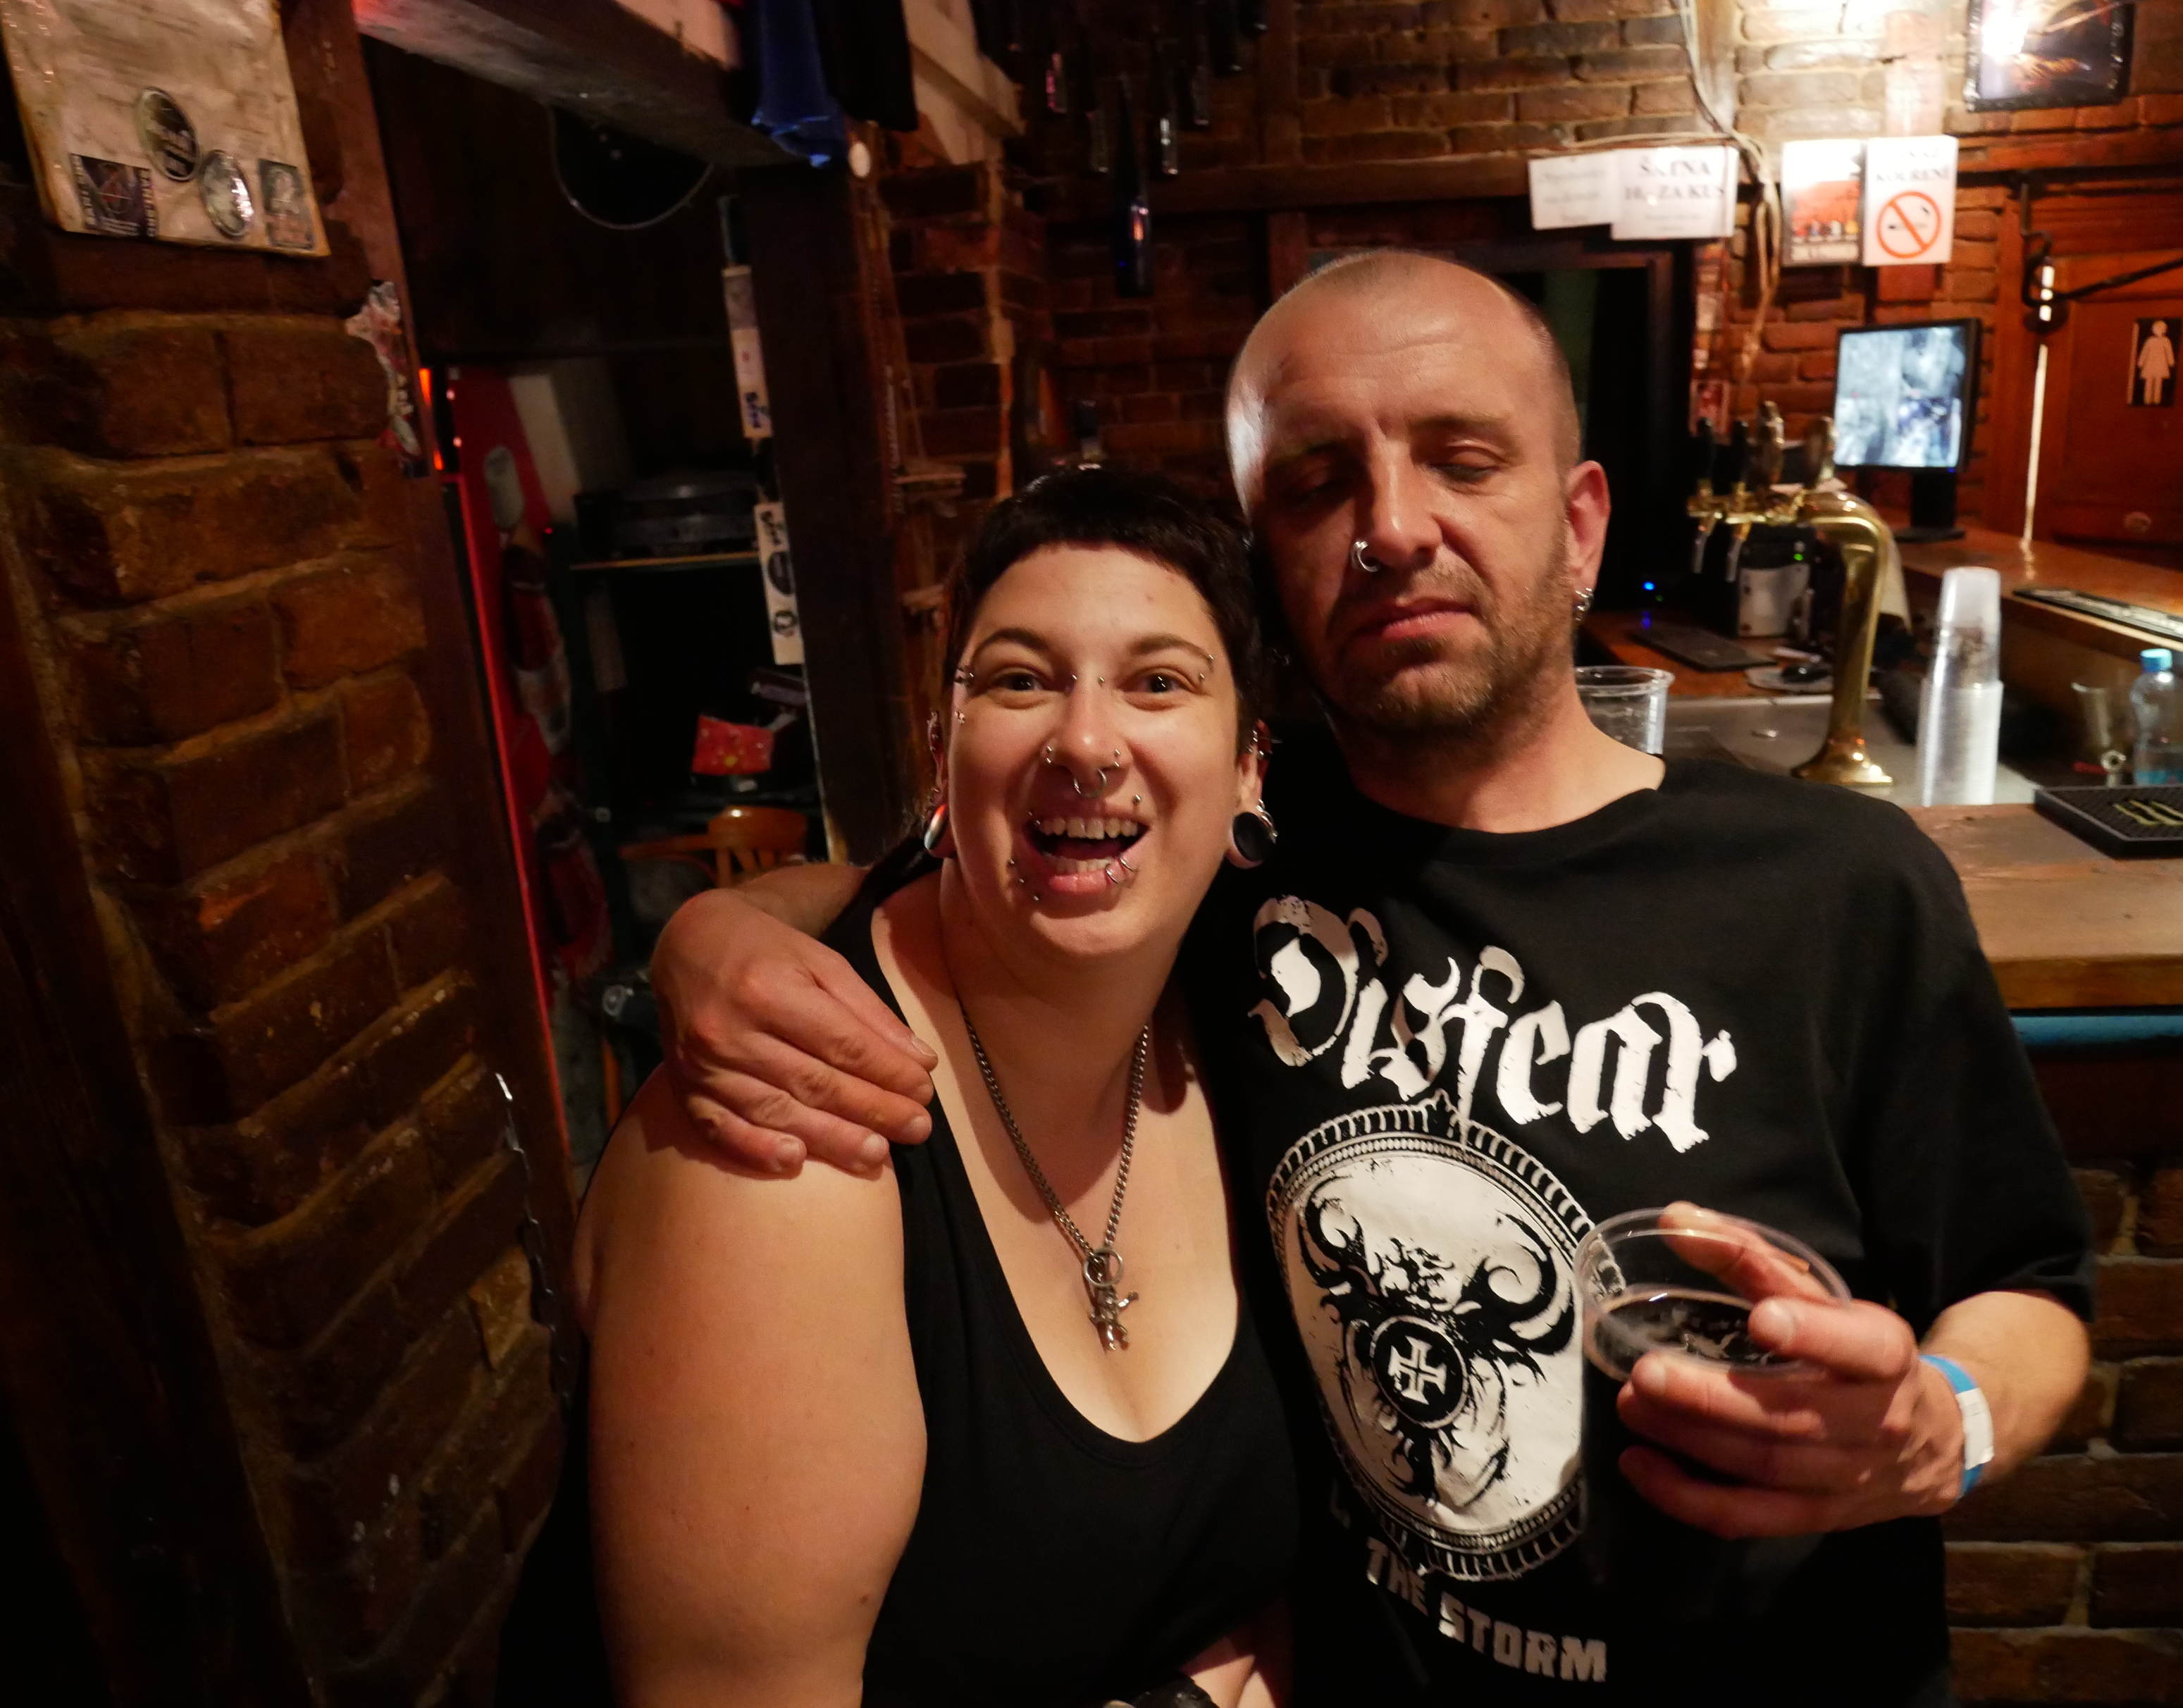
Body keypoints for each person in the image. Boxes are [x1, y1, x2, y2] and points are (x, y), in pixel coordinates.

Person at [650, 252, 2094, 1707]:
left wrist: (1944, 1423)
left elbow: (2026, 1289)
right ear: (1266, 568)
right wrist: (715, 932)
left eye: (1462, 460)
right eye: (1317, 483)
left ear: (1579, 526)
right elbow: (942, 879)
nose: (1392, 527)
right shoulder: (1217, 855)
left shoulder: (1837, 888)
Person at [539, 467, 1300, 1708]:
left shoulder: (1247, 1017)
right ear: (945, 755)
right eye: (1020, 679)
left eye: (1159, 682)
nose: (1086, 742)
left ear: (1249, 766)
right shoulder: (790, 1137)